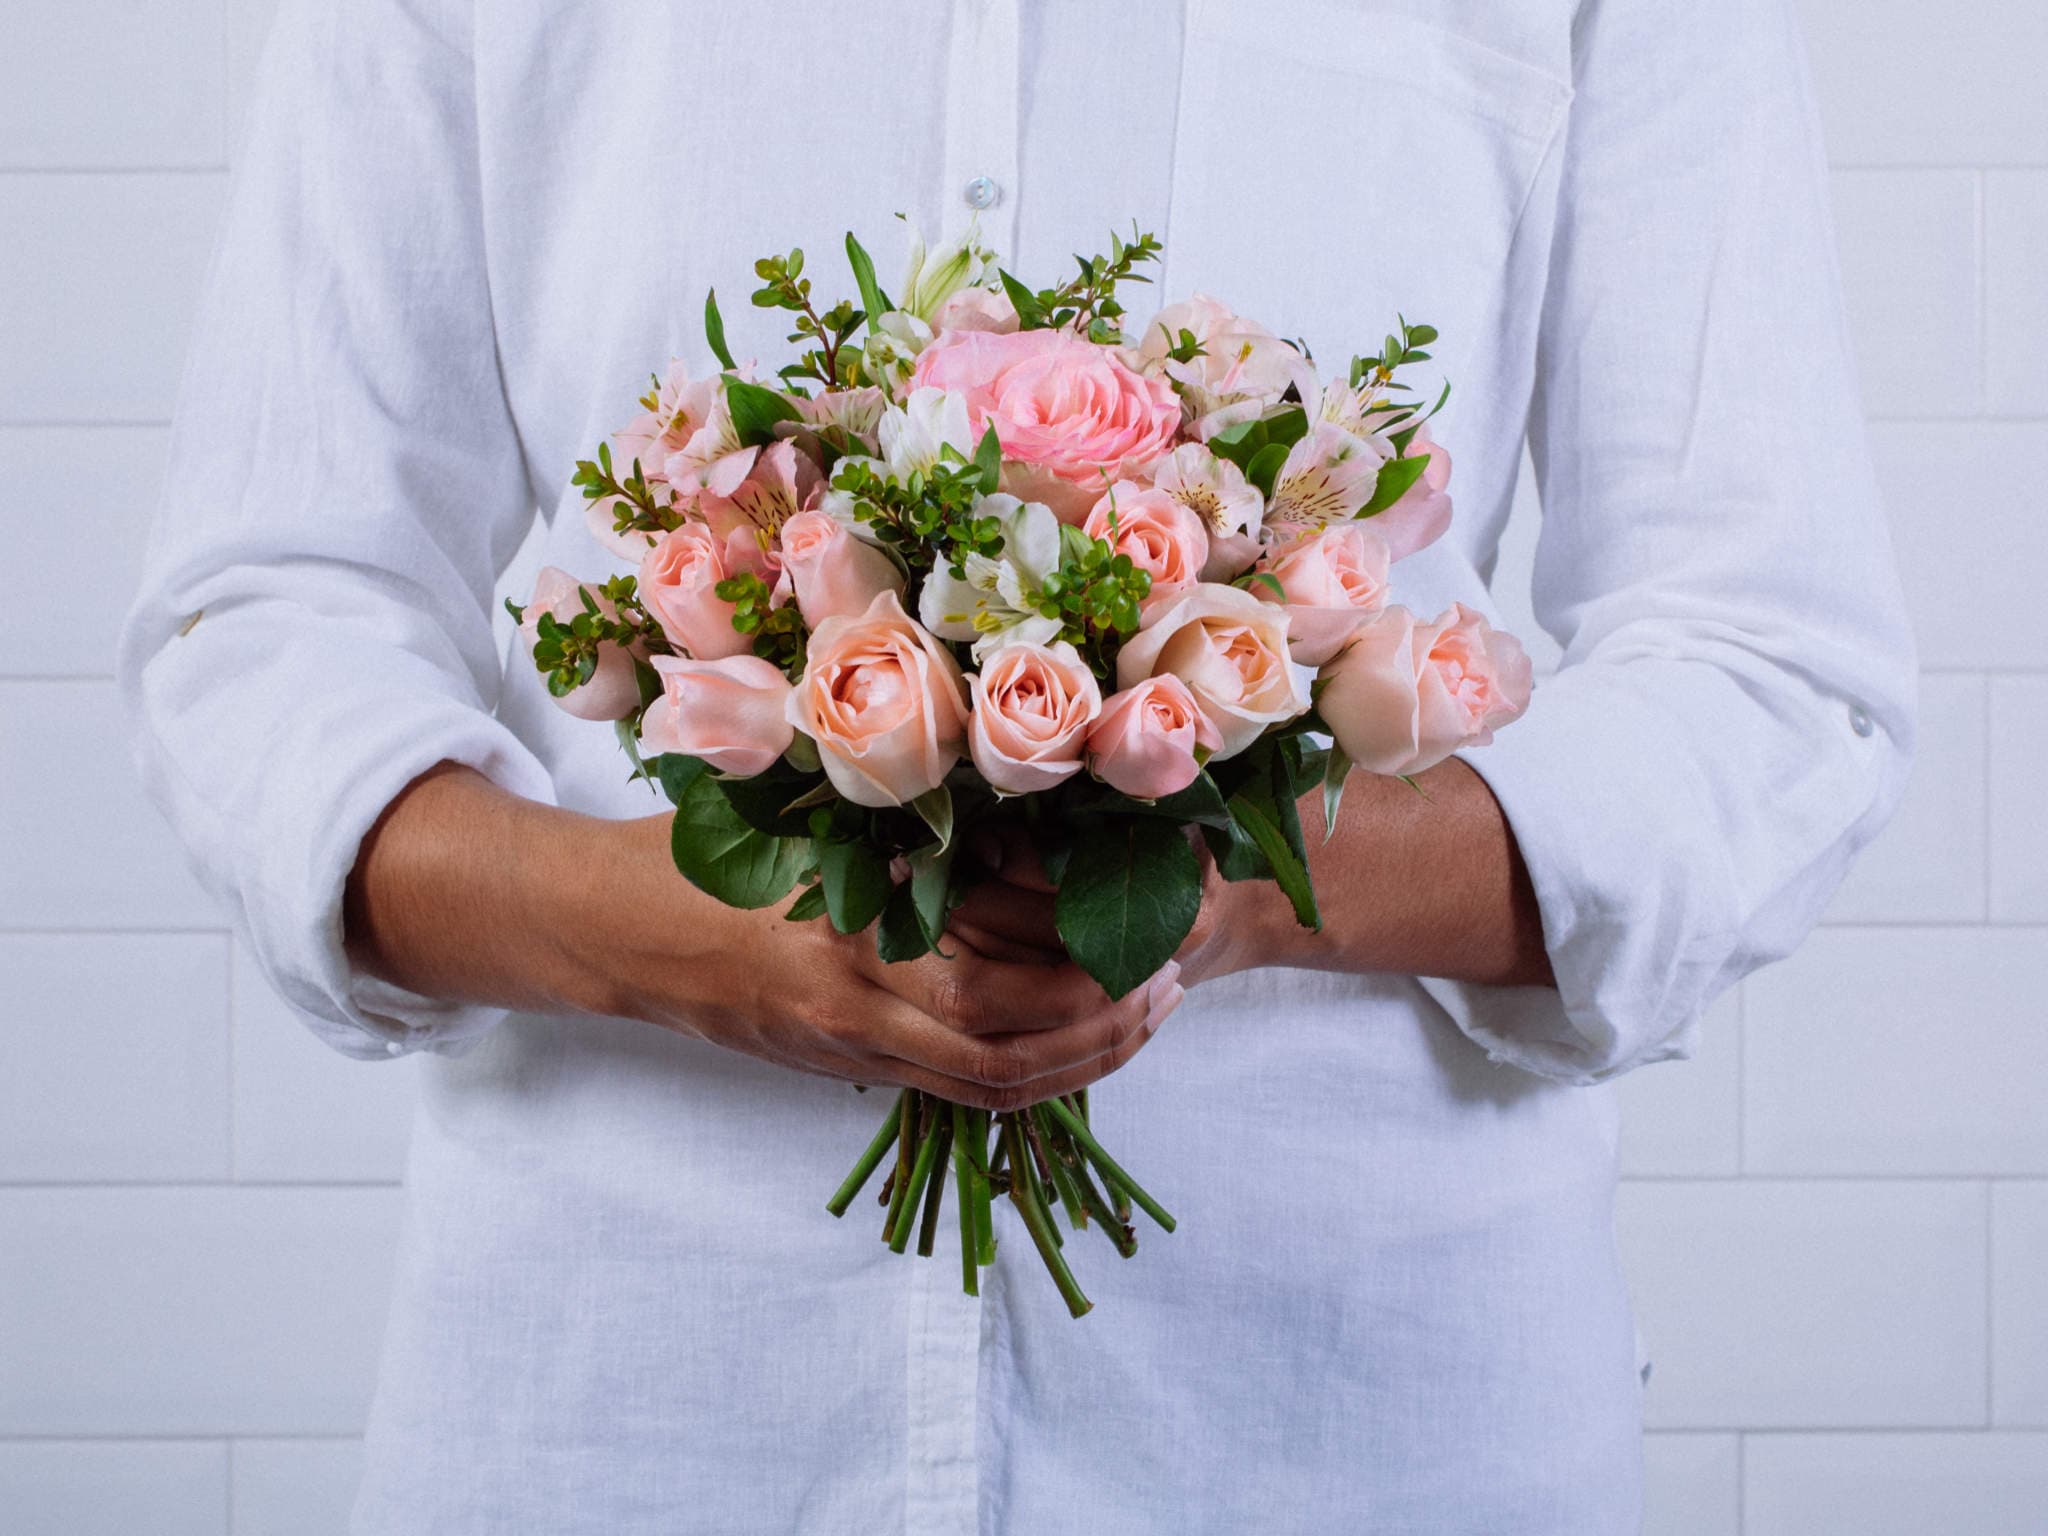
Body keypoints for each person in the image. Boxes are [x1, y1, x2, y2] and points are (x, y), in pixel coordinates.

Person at [119, 1, 1915, 1530]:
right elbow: (266, 621)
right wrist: (680, 936)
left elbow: (1770, 670)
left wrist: (1245, 891)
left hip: (1362, 1421)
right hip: (629, 1413)